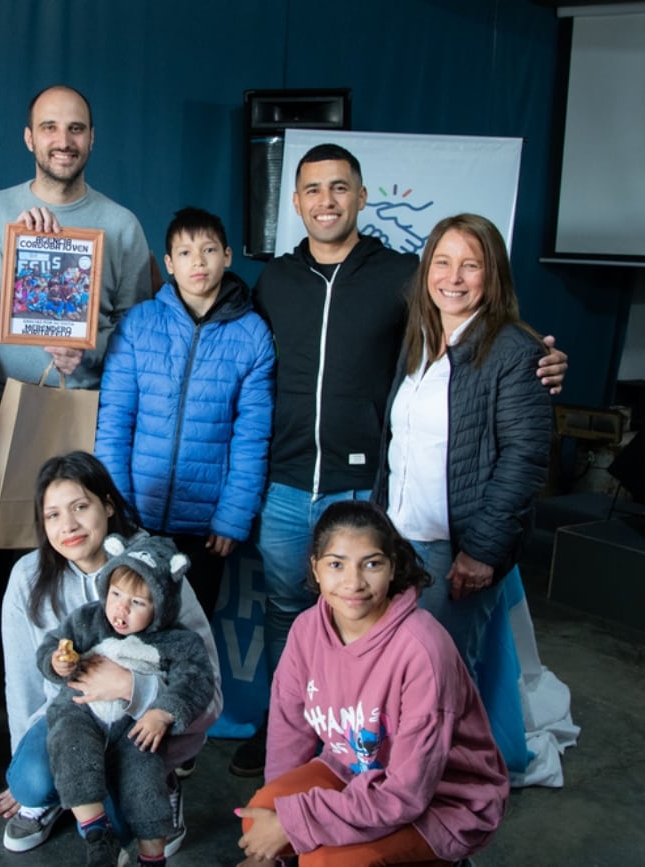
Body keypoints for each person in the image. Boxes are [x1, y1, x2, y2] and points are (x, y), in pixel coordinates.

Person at [237, 142, 569, 777]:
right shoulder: (274, 281)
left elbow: (512, 417)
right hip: (284, 484)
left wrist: (545, 361)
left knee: (370, 634)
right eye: (312, 189)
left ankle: (400, 772)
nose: (326, 201)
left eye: (340, 188)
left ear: (362, 198)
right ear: (297, 202)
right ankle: (289, 734)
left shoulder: (402, 278)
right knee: (289, 617)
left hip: (364, 494)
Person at [0, 84, 152, 716]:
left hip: (81, 412)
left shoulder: (119, 224)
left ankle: (82, 686)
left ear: (92, 138)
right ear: (29, 139)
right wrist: (12, 248)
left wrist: (89, 350)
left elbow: (140, 329)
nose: (63, 141)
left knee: (80, 552)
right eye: (50, 128)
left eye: (76, 129)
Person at [236, 500, 508, 866]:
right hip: (353, 770)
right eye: (336, 564)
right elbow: (289, 732)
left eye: (372, 563)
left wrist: (297, 823)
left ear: (393, 567)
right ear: (316, 569)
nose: (354, 583)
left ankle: (443, 858)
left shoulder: (423, 649)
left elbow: (408, 792)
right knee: (259, 817)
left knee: (327, 862)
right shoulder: (305, 630)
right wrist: (280, 830)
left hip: (439, 798)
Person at [0, 451, 221, 857]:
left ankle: (163, 784)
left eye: (81, 507)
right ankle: (55, 793)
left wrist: (132, 687)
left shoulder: (156, 572)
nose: (68, 526)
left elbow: (210, 694)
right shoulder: (27, 577)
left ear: (108, 505)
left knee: (122, 824)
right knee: (31, 780)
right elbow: (23, 684)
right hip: (72, 721)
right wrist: (27, 767)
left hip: (140, 729)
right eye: (52, 516)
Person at [375, 213, 552, 678]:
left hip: (453, 552)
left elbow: (525, 458)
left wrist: (481, 551)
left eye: (470, 265)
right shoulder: (419, 341)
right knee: (396, 678)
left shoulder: (513, 350)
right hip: (399, 540)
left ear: (492, 276)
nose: (453, 278)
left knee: (442, 682)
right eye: (442, 262)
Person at [95, 206, 274, 617]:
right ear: (170, 264)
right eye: (186, 253)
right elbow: (114, 420)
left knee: (191, 634)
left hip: (205, 527)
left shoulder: (252, 335)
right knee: (128, 626)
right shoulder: (140, 324)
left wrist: (232, 517)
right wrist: (116, 506)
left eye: (209, 250)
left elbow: (252, 436)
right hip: (135, 515)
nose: (199, 262)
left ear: (227, 257)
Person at [39, 534, 216, 867]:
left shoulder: (178, 640)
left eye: (138, 603)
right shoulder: (87, 619)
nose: (121, 608)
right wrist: (56, 661)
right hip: (81, 712)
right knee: (69, 745)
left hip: (133, 726)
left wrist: (164, 711)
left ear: (161, 605)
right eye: (116, 595)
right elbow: (52, 645)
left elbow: (196, 682)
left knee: (145, 782)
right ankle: (97, 832)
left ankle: (153, 856)